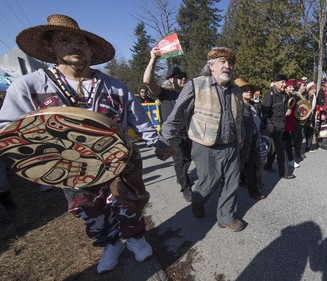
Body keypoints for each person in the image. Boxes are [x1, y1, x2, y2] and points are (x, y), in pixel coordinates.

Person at [0, 14, 158, 274]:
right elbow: (9, 130)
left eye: (81, 41)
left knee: (131, 201)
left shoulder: (115, 87)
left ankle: (135, 238)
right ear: (50, 46)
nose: (75, 45)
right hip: (72, 168)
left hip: (122, 161)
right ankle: (110, 243)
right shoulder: (28, 86)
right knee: (89, 210)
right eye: (64, 39)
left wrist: (158, 143)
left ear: (90, 48)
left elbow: (140, 122)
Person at [155, 47, 245, 232]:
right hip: (205, 146)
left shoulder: (236, 89)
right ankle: (197, 202)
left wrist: (241, 137)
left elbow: (239, 117)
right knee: (208, 183)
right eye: (223, 61)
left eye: (230, 63)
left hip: (232, 145)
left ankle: (226, 216)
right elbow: (177, 115)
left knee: (232, 183)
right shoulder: (196, 85)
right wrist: (164, 142)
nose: (227, 66)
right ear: (211, 66)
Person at [143, 48, 193, 202]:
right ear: (171, 79)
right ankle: (186, 188)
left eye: (184, 76)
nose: (183, 79)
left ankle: (181, 177)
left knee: (188, 159)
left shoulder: (189, 94)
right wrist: (154, 59)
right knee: (179, 161)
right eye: (179, 77)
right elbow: (147, 81)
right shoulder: (164, 93)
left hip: (188, 134)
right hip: (173, 136)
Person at [234, 78, 266, 200]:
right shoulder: (238, 107)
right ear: (239, 92)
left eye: (249, 90)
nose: (248, 92)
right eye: (245, 90)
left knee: (250, 165)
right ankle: (253, 190)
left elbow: (256, 122)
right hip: (242, 144)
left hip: (252, 141)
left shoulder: (251, 106)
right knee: (246, 166)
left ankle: (251, 187)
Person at [262, 74, 296, 179]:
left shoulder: (284, 95)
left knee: (274, 148)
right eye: (282, 82)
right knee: (282, 149)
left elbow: (284, 108)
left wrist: (288, 110)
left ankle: (268, 165)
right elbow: (264, 112)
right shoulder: (270, 95)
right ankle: (285, 173)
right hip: (273, 127)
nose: (284, 84)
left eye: (285, 82)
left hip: (282, 125)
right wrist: (268, 124)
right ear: (276, 82)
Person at [283, 79, 300, 168]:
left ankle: (290, 159)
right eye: (289, 87)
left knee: (288, 141)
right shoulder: (283, 97)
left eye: (292, 86)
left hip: (290, 121)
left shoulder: (293, 96)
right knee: (283, 143)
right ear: (285, 88)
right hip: (282, 122)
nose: (291, 88)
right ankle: (271, 163)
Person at [315, 75, 327, 150]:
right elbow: (320, 102)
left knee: (325, 127)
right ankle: (321, 143)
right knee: (322, 128)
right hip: (323, 112)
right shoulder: (322, 91)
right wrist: (322, 113)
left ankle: (323, 142)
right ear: (324, 83)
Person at [292, 79, 308, 160]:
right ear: (299, 86)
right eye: (303, 85)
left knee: (300, 136)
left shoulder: (303, 96)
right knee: (296, 136)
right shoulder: (295, 95)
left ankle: (298, 151)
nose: (305, 87)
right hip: (296, 119)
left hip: (302, 119)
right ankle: (293, 152)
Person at [304, 82, 318, 152]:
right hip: (304, 117)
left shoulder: (314, 98)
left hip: (311, 117)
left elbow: (316, 107)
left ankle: (308, 147)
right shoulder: (305, 97)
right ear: (309, 90)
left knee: (310, 131)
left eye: (314, 89)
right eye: (313, 89)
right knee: (303, 132)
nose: (314, 91)